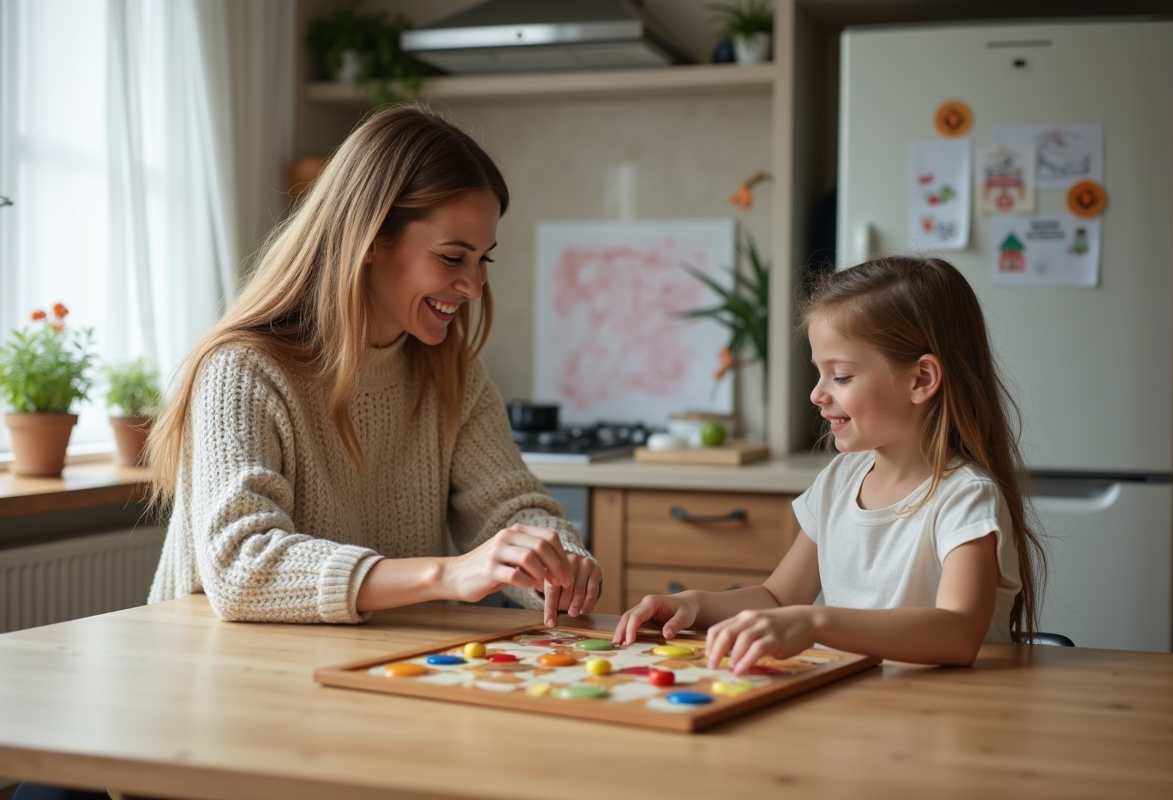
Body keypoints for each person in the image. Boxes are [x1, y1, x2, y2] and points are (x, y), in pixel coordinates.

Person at [145, 104, 602, 627]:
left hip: (367, 658)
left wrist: (560, 562)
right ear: (371, 240)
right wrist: (448, 575)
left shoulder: (452, 375)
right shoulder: (243, 371)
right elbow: (242, 566)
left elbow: (509, 507)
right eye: (453, 257)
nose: (475, 287)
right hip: (219, 665)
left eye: (484, 259)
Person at [613, 256, 1045, 669]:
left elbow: (958, 633)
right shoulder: (840, 479)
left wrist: (816, 622)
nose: (817, 394)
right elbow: (778, 599)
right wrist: (694, 604)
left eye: (840, 376)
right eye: (820, 373)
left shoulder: (965, 497)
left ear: (921, 379)